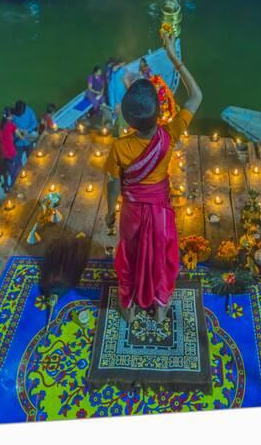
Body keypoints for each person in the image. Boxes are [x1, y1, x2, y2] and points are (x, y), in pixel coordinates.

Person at [104, 31, 203, 323]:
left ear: (128, 119)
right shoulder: (169, 135)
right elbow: (196, 96)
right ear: (160, 113)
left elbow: (112, 185)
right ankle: (160, 308)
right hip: (161, 213)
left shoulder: (120, 147)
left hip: (132, 213)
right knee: (161, 256)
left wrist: (110, 213)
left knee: (130, 259)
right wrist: (173, 56)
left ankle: (130, 308)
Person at [0, 107, 25, 192]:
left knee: (10, 167)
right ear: (10, 116)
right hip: (11, 151)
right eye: (12, 115)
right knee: (19, 165)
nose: (13, 117)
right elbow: (21, 137)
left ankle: (7, 185)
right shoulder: (11, 125)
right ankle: (13, 185)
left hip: (3, 151)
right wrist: (23, 135)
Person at [12, 100, 38, 165]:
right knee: (17, 161)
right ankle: (19, 172)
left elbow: (34, 123)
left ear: (24, 109)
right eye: (19, 113)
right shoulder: (13, 114)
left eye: (21, 113)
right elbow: (10, 126)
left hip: (28, 140)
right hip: (18, 142)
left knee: (30, 158)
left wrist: (27, 130)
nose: (20, 114)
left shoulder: (29, 111)